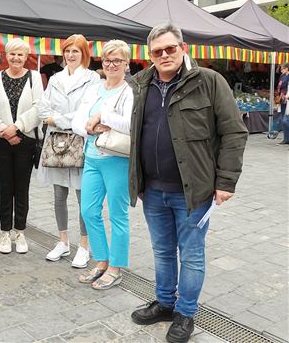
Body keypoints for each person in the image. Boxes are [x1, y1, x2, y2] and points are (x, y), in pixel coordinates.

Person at [128, 22, 248, 343]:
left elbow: (234, 132)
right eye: (157, 51)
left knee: (191, 254)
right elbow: (136, 133)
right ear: (150, 55)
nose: (164, 55)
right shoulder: (141, 84)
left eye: (170, 48)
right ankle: (165, 303)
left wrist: (226, 181)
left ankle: (186, 313)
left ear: (183, 48)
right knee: (162, 251)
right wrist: (136, 178)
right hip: (152, 189)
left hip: (193, 191)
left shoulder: (209, 81)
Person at [72, 40, 133, 290]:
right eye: (107, 60)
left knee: (118, 215)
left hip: (116, 158)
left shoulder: (129, 92)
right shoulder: (94, 89)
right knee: (89, 212)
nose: (111, 64)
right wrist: (91, 126)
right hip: (92, 157)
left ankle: (116, 267)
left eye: (117, 60)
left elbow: (130, 124)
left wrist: (102, 117)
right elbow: (77, 121)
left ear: (126, 64)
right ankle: (101, 261)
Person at [38, 34, 100, 268]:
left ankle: (84, 246)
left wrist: (58, 119)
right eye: (67, 50)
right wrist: (54, 119)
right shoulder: (55, 79)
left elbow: (87, 112)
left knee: (83, 196)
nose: (71, 55)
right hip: (56, 144)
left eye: (76, 51)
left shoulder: (92, 79)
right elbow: (43, 109)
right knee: (58, 195)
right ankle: (63, 241)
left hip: (80, 141)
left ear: (84, 53)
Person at [0, 38, 44, 254]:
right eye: (12, 54)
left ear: (26, 56)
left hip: (25, 140)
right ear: (6, 55)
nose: (16, 58)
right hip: (1, 140)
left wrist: (17, 128)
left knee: (21, 187)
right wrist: (3, 129)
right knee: (4, 187)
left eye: (20, 54)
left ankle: (20, 231)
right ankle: (4, 232)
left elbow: (39, 107)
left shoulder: (34, 78)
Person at [276, 63, 289, 144]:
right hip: (282, 99)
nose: (281, 70)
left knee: (285, 120)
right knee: (283, 119)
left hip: (287, 99)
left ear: (287, 68)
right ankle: (286, 138)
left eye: (282, 69)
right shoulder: (282, 76)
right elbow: (279, 87)